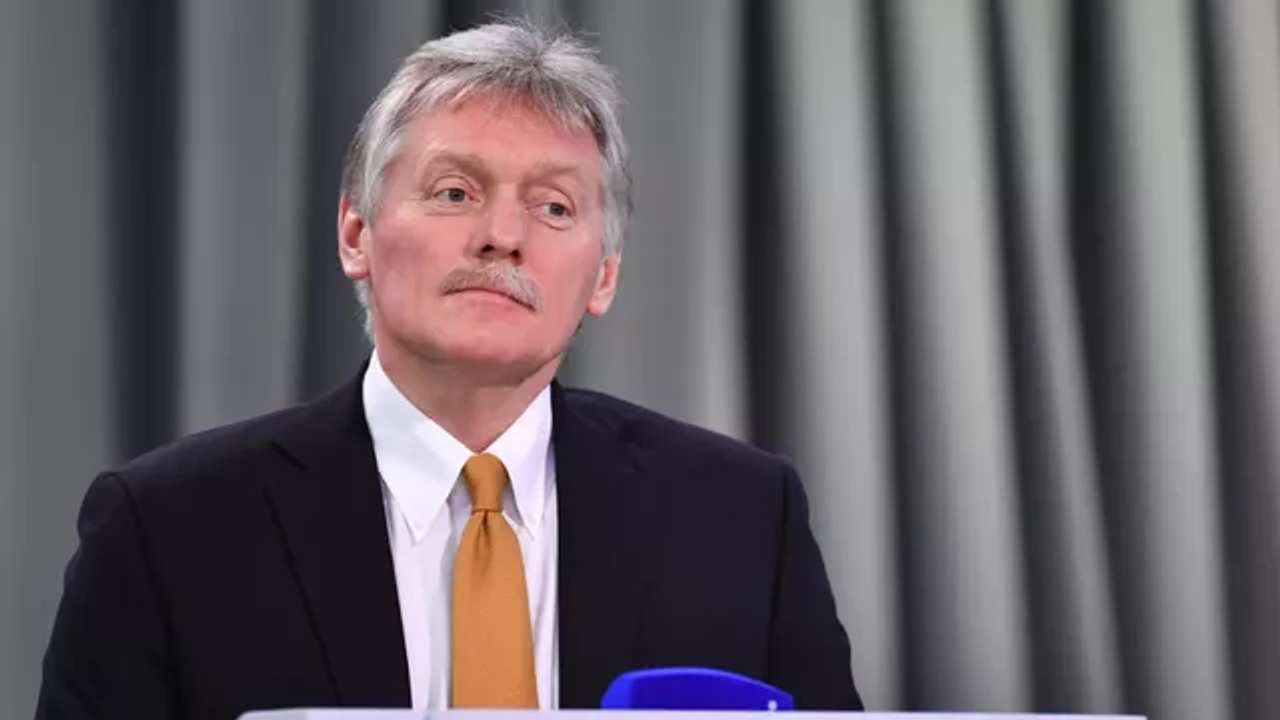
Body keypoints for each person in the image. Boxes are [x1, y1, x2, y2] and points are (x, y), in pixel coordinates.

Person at [36, 21, 862, 720]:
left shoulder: (741, 518)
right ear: (356, 234)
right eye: (456, 193)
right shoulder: (167, 529)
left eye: (554, 207)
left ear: (603, 276)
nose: (503, 237)